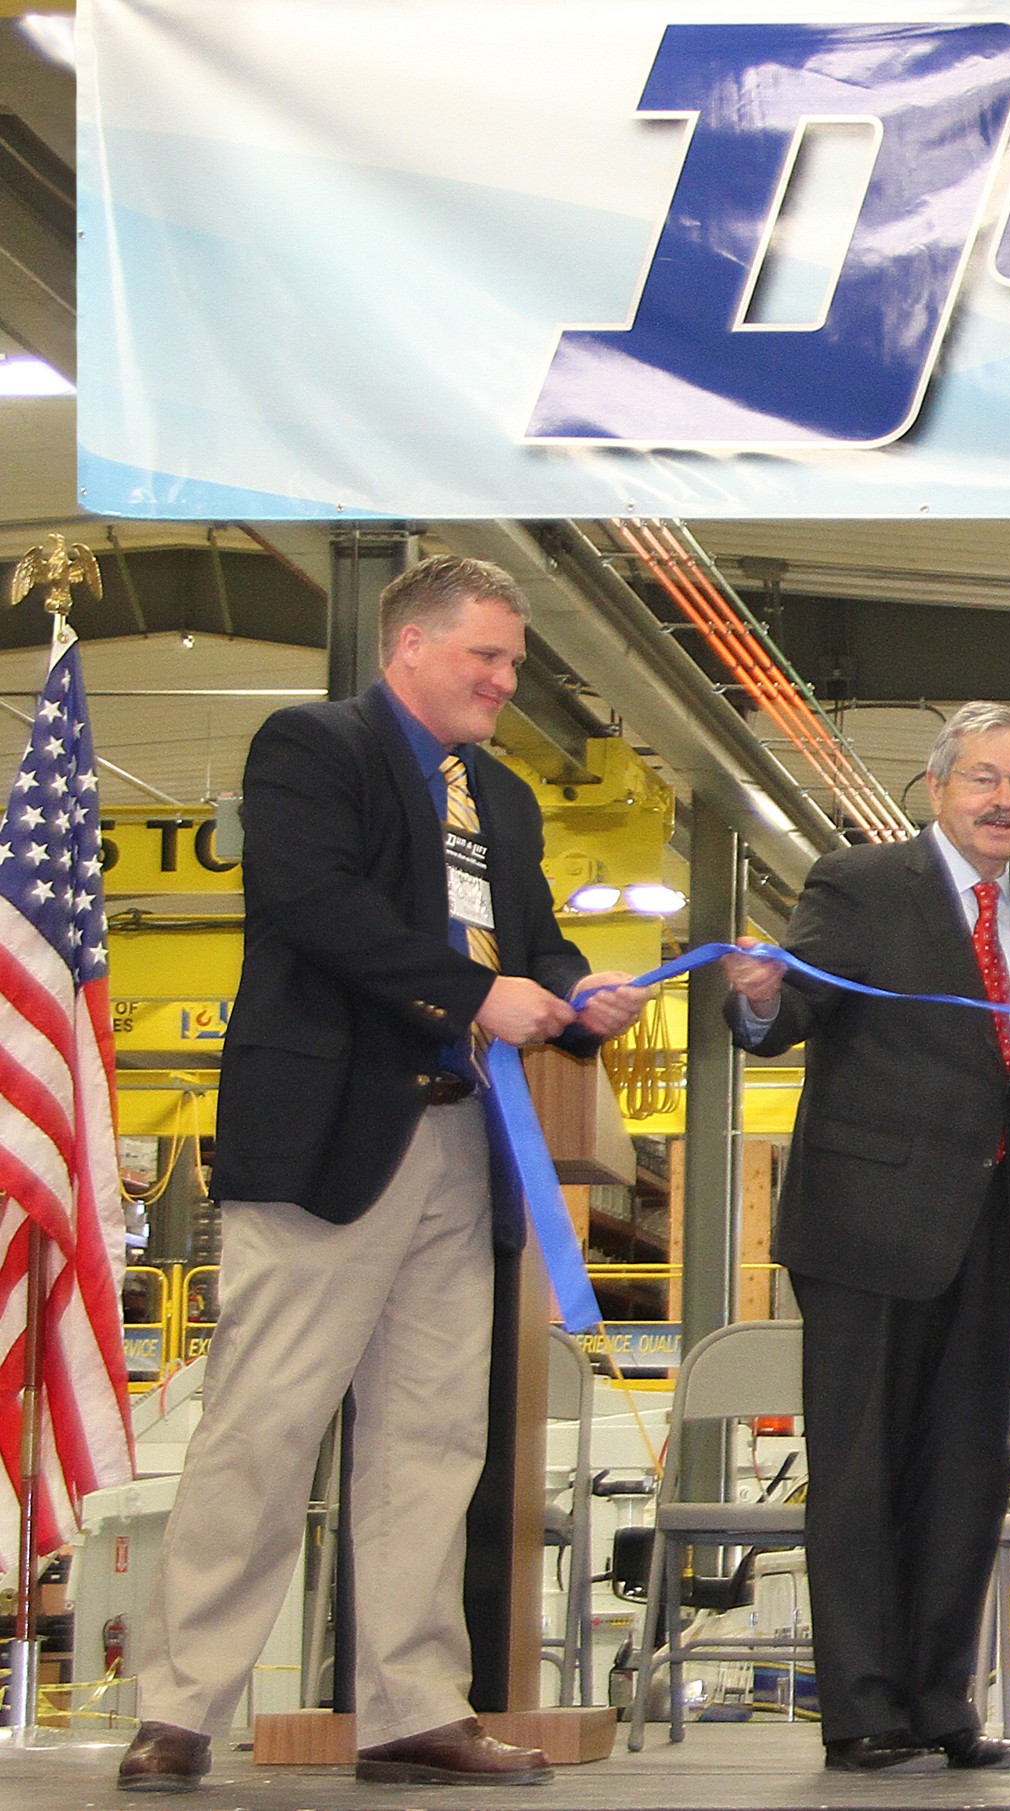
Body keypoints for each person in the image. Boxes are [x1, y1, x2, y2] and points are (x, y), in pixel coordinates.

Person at [119, 556, 653, 1792]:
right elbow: (312, 899)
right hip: (327, 1144)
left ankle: (410, 1705)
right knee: (262, 1428)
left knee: (431, 1437)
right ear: (408, 643)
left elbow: (533, 937)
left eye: (514, 662)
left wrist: (577, 990)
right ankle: (180, 1708)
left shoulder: (503, 800)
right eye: (488, 657)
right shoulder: (311, 746)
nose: (506, 681)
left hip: (463, 1149)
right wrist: (478, 992)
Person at [719, 702, 1010, 1774]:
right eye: (982, 778)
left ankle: (938, 1701)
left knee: (965, 1474)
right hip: (866, 1229)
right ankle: (862, 1707)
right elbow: (792, 1011)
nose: (1002, 799)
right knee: (863, 1469)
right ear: (936, 786)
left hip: (989, 1234)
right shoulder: (861, 882)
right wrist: (760, 997)